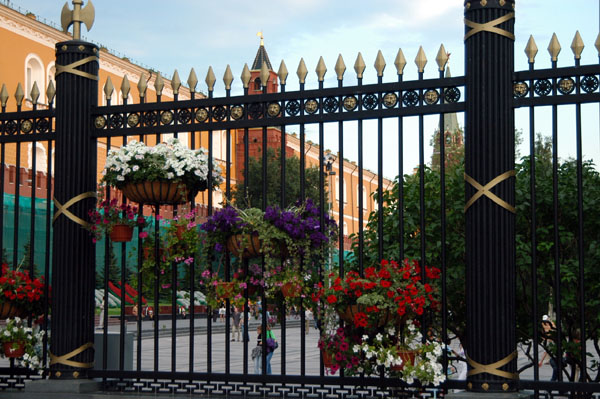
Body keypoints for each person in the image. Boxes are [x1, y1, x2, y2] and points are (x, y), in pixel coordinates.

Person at [539, 315, 558, 381]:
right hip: (548, 339)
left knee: (547, 350)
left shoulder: (550, 323)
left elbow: (554, 329)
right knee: (547, 350)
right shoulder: (545, 324)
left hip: (550, 339)